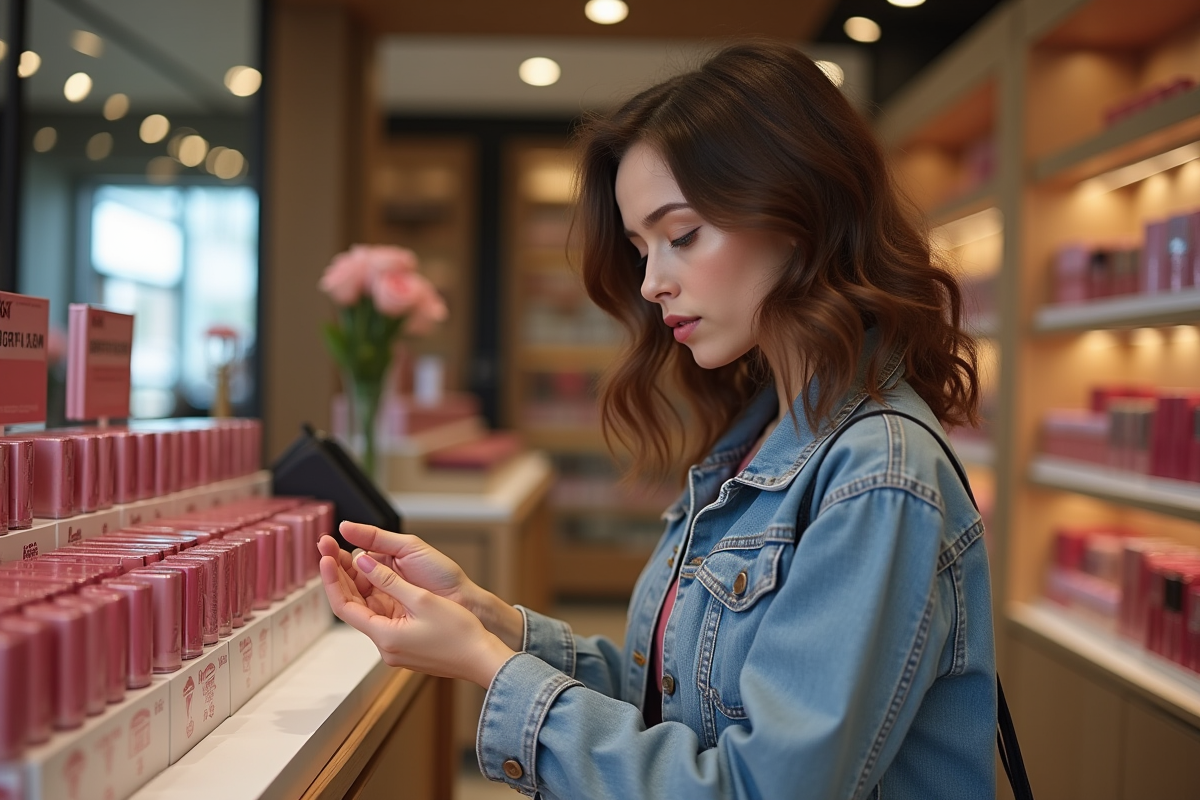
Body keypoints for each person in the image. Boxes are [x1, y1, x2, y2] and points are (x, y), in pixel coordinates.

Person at [318, 41, 995, 800]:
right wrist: (488, 619)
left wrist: (488, 667)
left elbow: (760, 788)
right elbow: (679, 701)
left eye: (682, 236)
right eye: (642, 248)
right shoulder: (763, 436)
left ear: (800, 209)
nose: (651, 283)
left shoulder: (877, 472)